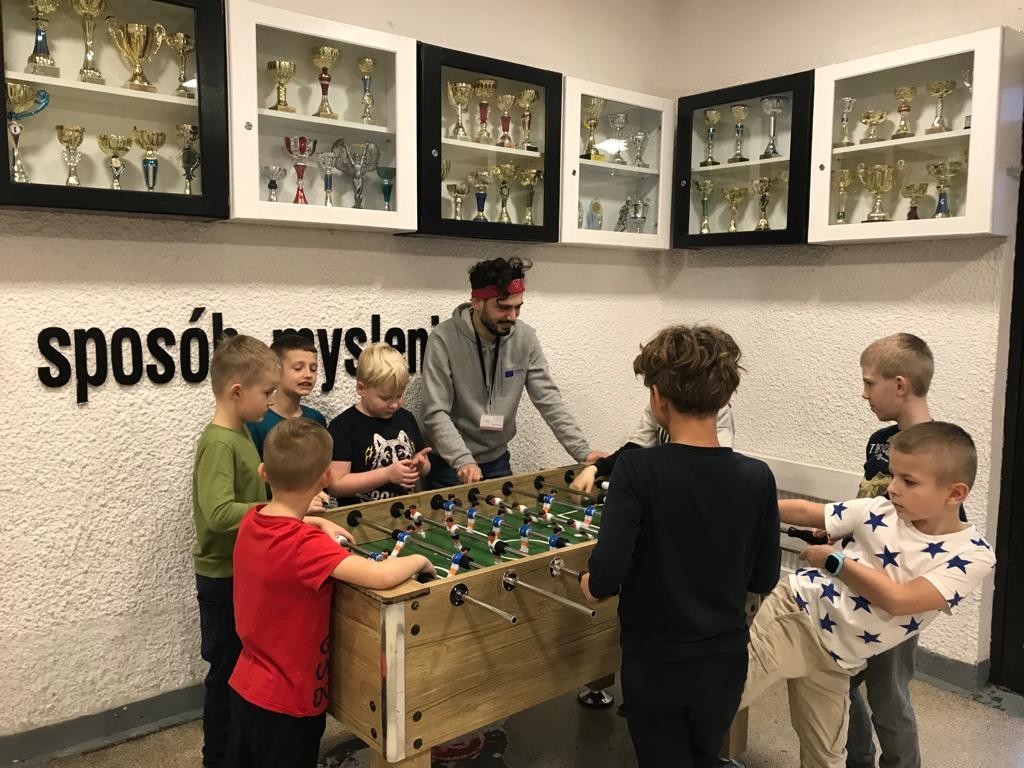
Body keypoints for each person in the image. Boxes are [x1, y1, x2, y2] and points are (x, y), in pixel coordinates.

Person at [579, 325, 781, 768]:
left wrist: (588, 585)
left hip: (655, 663)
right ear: (725, 398)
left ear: (657, 398)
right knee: (704, 757)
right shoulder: (758, 477)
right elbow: (765, 576)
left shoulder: (635, 470)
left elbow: (606, 576)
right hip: (725, 662)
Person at [740, 421, 995, 768]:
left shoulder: (972, 555)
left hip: (839, 658)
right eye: (893, 476)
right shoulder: (878, 510)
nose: (893, 488)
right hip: (796, 614)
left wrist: (835, 561)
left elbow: (899, 601)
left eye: (908, 481)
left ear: (955, 494)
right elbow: (808, 512)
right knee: (727, 694)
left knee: (826, 756)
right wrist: (746, 503)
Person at [226, 419, 432, 768]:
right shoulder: (305, 547)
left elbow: (284, 520)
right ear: (325, 478)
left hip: (245, 687)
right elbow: (381, 576)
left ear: (264, 472)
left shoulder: (252, 519)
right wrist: (419, 559)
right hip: (289, 705)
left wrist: (319, 520)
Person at [849, 332, 961, 768]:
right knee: (836, 680)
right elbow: (866, 505)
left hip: (898, 598)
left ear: (899, 385)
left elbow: (945, 533)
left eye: (869, 382)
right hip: (859, 585)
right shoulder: (880, 440)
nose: (864, 393)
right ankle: (857, 760)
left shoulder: (942, 452)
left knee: (888, 695)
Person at [421, 256, 605, 489]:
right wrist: (462, 460)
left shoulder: (525, 338)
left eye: (518, 307)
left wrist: (582, 451)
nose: (513, 316)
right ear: (477, 302)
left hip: (497, 460)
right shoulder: (442, 339)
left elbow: (549, 399)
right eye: (503, 307)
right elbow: (435, 411)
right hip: (449, 464)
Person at [192, 334, 280, 768]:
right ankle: (217, 760)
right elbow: (218, 513)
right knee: (224, 676)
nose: (271, 400)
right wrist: (273, 510)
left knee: (242, 674)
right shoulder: (218, 443)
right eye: (267, 392)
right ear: (237, 391)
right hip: (221, 579)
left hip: (243, 574)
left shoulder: (243, 432)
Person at [327, 343, 431, 506]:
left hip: (406, 511)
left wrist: (421, 465)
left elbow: (424, 466)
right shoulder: (343, 427)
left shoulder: (406, 418)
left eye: (399, 395)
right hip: (362, 515)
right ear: (361, 388)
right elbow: (336, 485)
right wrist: (387, 474)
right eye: (385, 398)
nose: (394, 404)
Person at [569, 403, 734, 495]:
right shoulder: (656, 407)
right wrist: (595, 468)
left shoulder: (716, 410)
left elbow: (717, 466)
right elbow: (635, 447)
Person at [246, 334, 327, 458]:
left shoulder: (316, 419)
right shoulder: (256, 421)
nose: (308, 375)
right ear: (276, 371)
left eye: (313, 369)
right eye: (298, 368)